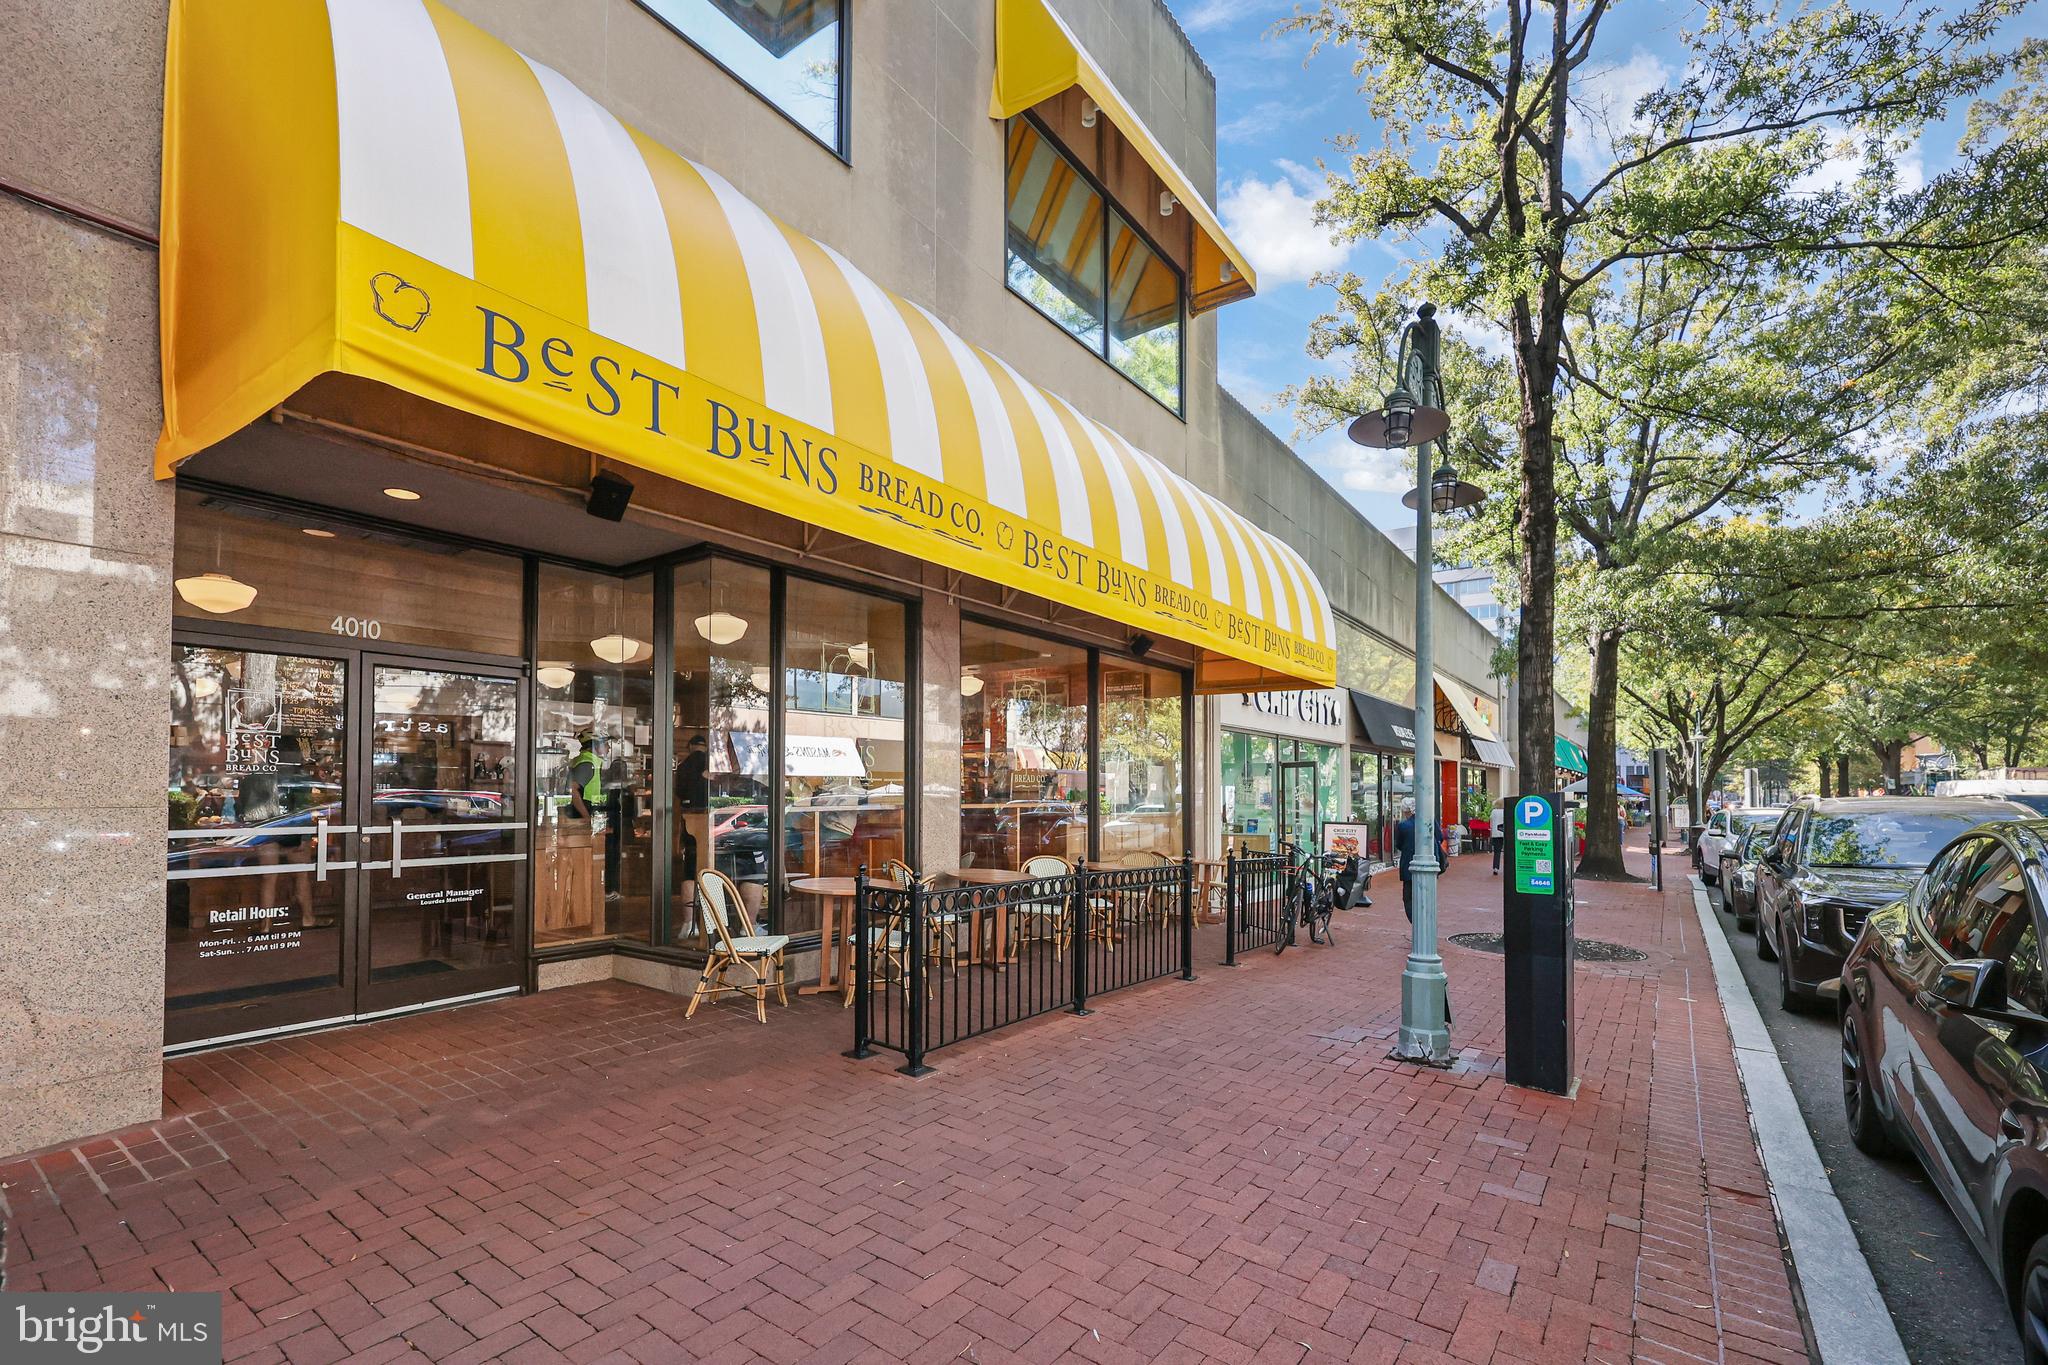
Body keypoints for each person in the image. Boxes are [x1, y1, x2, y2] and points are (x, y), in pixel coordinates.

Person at [1489, 800, 1505, 875]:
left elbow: (1491, 823)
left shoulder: (1493, 812)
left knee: (1497, 852)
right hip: (1504, 833)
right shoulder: (1505, 811)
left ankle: (1496, 868)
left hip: (1495, 833)